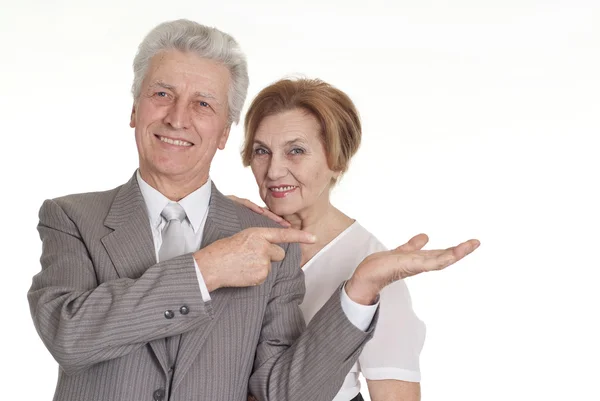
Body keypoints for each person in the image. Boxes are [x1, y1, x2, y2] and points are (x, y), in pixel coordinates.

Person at [27, 19, 479, 401]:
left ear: (224, 132)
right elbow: (69, 335)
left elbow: (279, 392)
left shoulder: (270, 245)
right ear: (134, 108)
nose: (178, 118)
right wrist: (205, 270)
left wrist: (360, 287)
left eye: (203, 103)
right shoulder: (71, 219)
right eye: (162, 94)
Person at [231, 78, 423, 401]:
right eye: (262, 151)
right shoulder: (229, 241)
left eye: (296, 151)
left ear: (337, 162)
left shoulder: (373, 271)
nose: (274, 170)